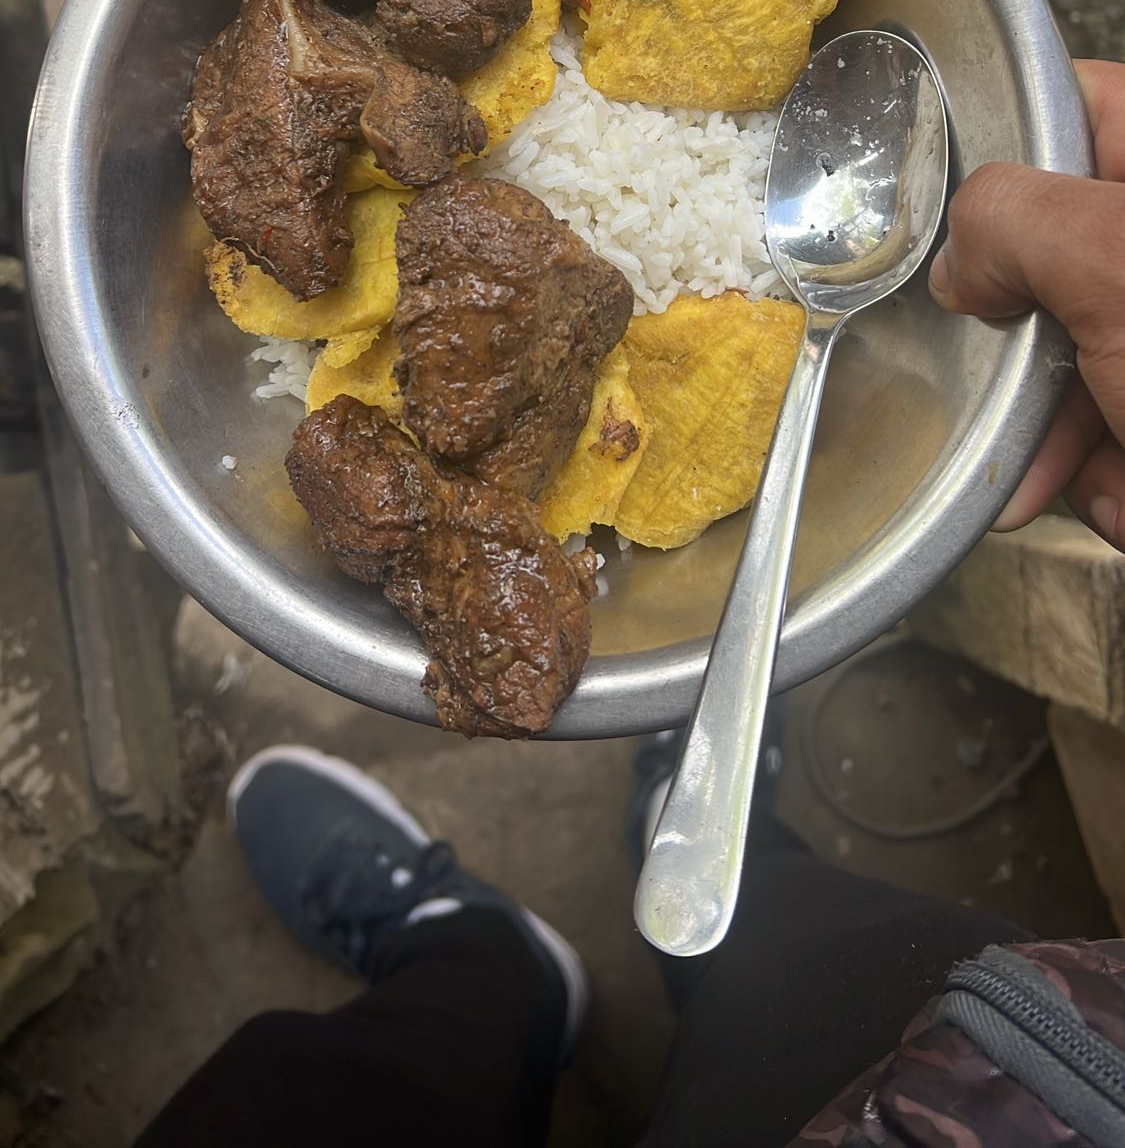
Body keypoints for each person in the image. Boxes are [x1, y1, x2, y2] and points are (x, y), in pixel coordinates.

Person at [136, 60, 1125, 1148]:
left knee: (330, 1098)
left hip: (979, 1073)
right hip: (1033, 1050)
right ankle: (597, 901)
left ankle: (472, 956)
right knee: (809, 957)